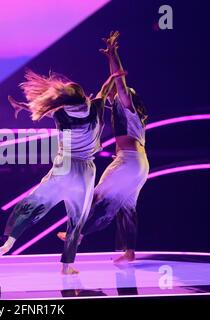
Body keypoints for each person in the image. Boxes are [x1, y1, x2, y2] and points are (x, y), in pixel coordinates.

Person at [0, 69, 125, 274]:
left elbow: (39, 109)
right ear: (83, 97)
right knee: (77, 218)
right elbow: (104, 91)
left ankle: (9, 243)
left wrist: (21, 105)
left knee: (34, 202)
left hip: (64, 167)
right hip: (84, 171)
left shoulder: (60, 112)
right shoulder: (95, 108)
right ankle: (67, 265)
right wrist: (113, 76)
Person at [57, 31, 149, 264]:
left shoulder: (128, 106)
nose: (115, 97)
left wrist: (113, 55)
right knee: (127, 207)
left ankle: (76, 235)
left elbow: (119, 81)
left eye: (120, 95)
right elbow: (107, 90)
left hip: (127, 161)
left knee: (96, 196)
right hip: (140, 165)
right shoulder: (132, 117)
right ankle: (129, 252)